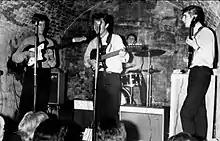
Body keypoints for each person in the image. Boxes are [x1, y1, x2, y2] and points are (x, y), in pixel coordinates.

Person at [84, 12, 129, 129]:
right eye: (94, 24)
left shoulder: (116, 39)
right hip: (98, 79)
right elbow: (86, 59)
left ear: (107, 25)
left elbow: (125, 58)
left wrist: (124, 55)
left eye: (100, 24)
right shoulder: (93, 42)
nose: (96, 27)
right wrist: (91, 62)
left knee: (111, 113)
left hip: (112, 78)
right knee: (98, 112)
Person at [12, 13, 57, 120]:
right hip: (31, 73)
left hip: (44, 74)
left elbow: (53, 64)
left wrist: (50, 57)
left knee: (42, 103)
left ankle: (39, 129)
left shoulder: (50, 42)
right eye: (39, 25)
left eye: (43, 25)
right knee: (26, 102)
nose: (41, 27)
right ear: (34, 26)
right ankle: (24, 128)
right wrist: (26, 54)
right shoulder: (28, 41)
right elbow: (15, 57)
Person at [180, 5, 215, 140]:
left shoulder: (206, 32)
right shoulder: (196, 34)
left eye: (185, 16)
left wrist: (196, 47)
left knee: (186, 114)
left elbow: (209, 59)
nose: (183, 20)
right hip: (195, 73)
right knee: (199, 113)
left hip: (201, 73)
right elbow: (201, 56)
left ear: (194, 17)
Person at [123, 33, 147, 106]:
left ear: (135, 41)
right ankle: (125, 102)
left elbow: (139, 65)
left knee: (143, 87)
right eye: (129, 38)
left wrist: (129, 68)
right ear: (126, 40)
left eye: (133, 39)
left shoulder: (137, 50)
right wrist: (128, 66)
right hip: (123, 71)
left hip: (135, 71)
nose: (131, 40)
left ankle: (144, 104)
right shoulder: (122, 50)